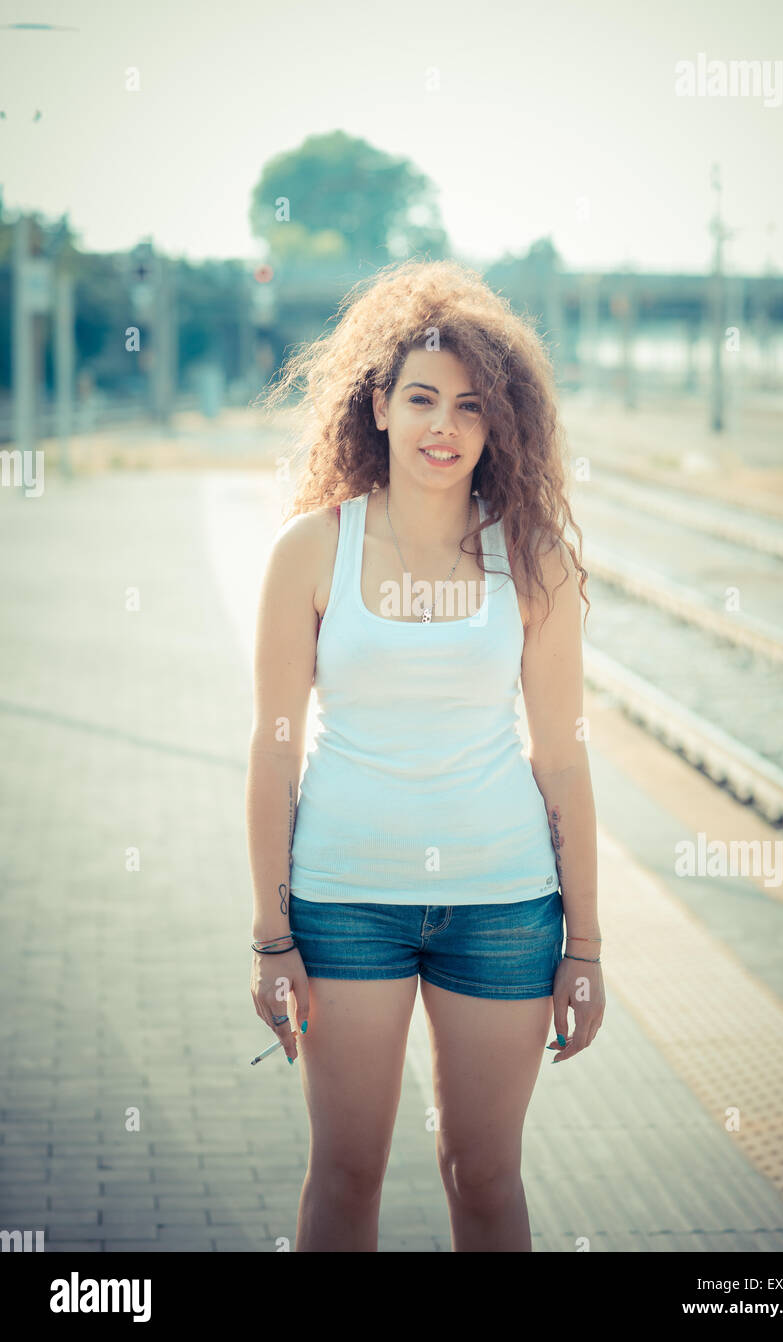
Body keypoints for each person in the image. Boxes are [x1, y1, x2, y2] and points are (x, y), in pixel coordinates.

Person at [246, 258, 603, 1252]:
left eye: (472, 406)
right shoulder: (310, 550)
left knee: (484, 1175)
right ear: (379, 405)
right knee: (347, 1174)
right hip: (344, 898)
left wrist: (587, 944)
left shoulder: (529, 559)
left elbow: (564, 759)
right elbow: (273, 752)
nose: (445, 425)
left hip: (504, 904)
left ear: (499, 425)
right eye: (422, 399)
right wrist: (271, 931)